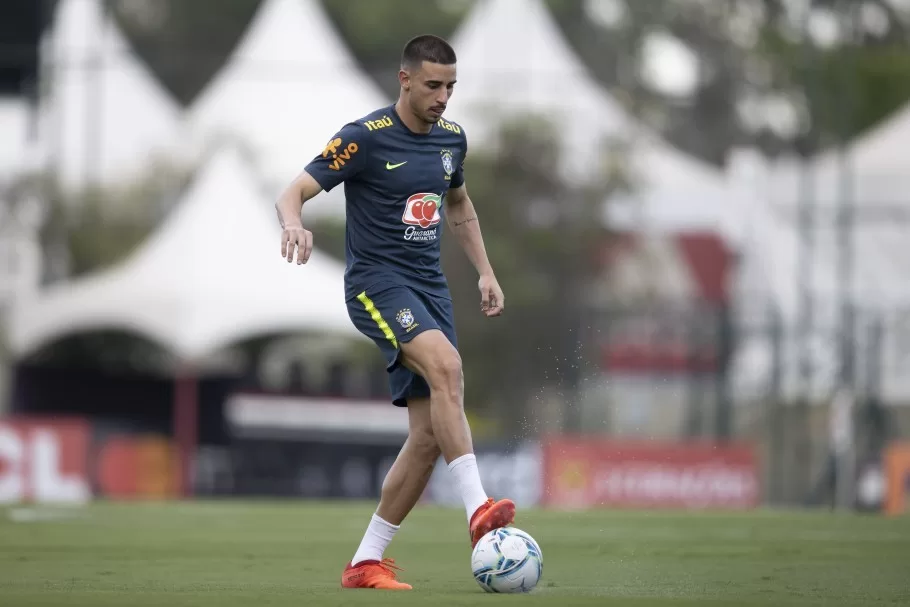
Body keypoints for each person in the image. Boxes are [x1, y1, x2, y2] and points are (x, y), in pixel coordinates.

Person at [274, 34, 515, 590]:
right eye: (433, 85)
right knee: (449, 367)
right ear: (405, 79)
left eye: (451, 86)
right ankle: (478, 512)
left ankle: (365, 562)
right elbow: (294, 191)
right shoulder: (365, 138)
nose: (443, 97)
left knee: (429, 437)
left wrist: (485, 270)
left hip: (429, 289)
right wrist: (293, 223)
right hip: (376, 286)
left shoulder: (452, 140)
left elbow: (457, 202)